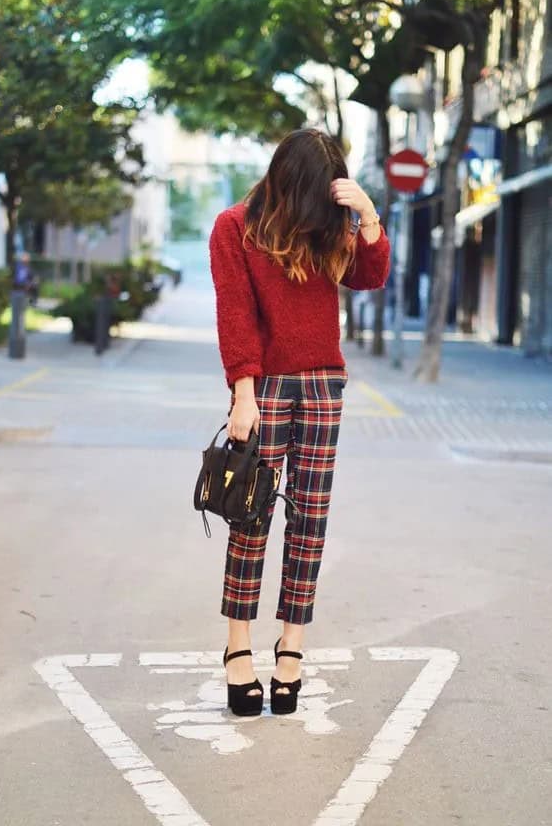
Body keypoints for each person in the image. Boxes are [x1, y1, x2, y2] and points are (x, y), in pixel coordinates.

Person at [209, 128, 390, 717]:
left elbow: (369, 276)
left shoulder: (328, 225)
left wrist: (367, 216)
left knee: (309, 519)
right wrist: (243, 394)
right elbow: (236, 315)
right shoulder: (234, 228)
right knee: (251, 514)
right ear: (293, 185)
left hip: (323, 386)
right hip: (262, 387)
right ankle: (239, 647)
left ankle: (292, 647)